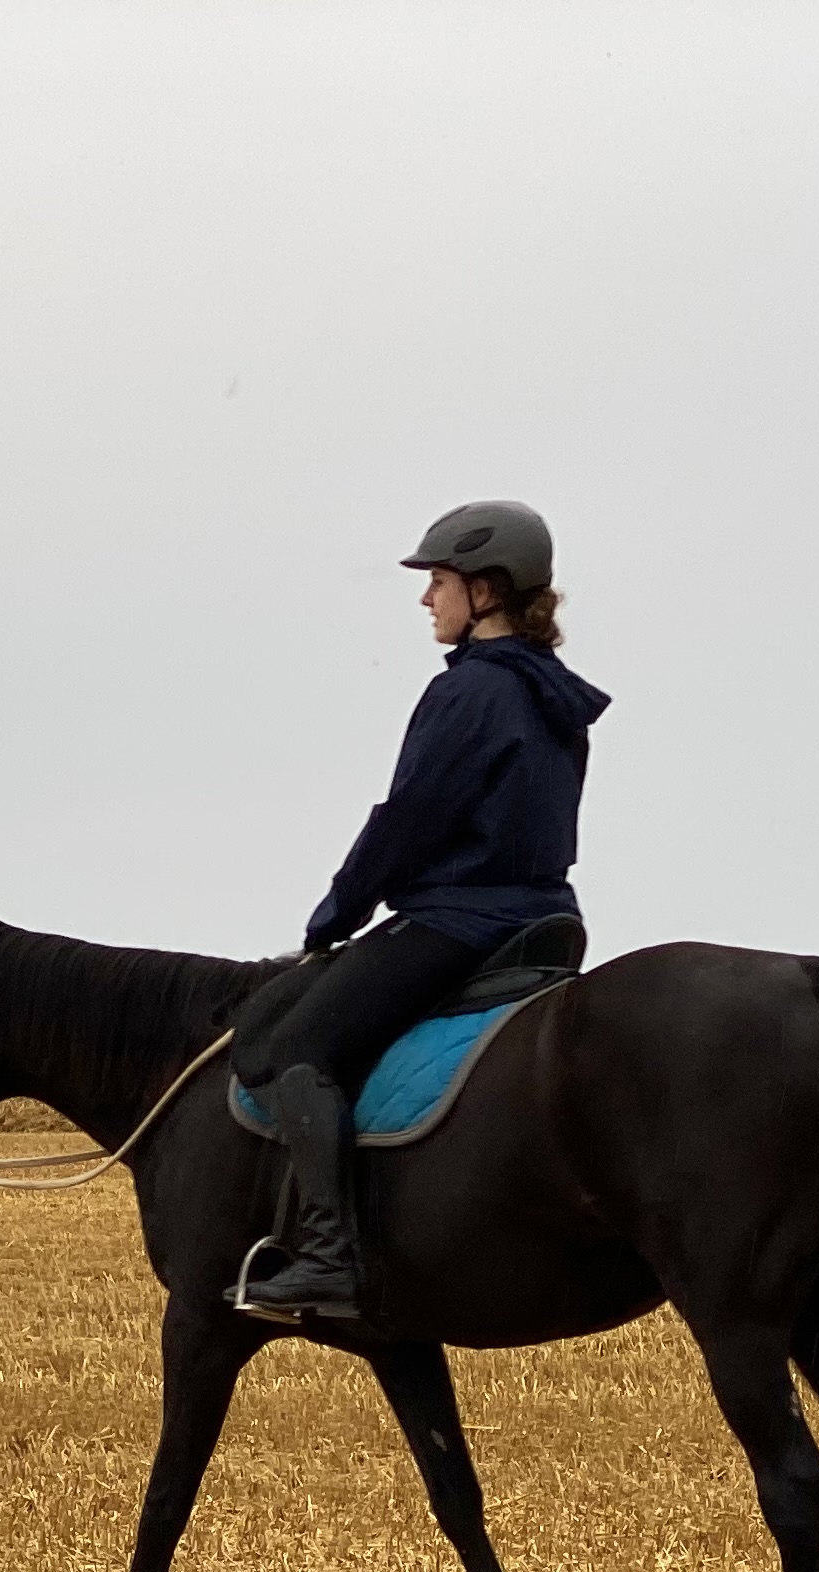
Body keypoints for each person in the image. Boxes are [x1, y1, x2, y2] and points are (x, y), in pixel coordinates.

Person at [230, 500, 611, 1321]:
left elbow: (407, 819)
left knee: (296, 1043)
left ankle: (329, 1256)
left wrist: (335, 915)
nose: (425, 599)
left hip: (461, 921)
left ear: (485, 590)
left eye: (437, 581)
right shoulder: (555, 696)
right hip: (546, 916)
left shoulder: (471, 692)